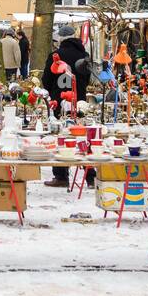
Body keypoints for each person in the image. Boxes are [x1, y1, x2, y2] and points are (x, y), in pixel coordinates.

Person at [42, 25, 91, 188]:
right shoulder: (84, 55)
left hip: (58, 101)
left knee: (61, 137)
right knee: (82, 136)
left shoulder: (55, 55)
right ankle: (90, 174)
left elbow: (46, 79)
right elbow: (88, 78)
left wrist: (53, 92)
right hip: (80, 101)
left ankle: (61, 175)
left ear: (61, 39)